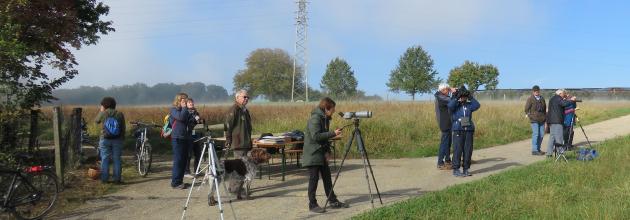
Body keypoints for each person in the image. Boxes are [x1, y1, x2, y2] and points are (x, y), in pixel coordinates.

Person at [303, 97, 349, 213]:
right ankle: (312, 205)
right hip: (313, 154)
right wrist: (333, 133)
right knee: (314, 179)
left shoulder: (325, 118)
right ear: (327, 108)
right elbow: (316, 136)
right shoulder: (315, 119)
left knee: (327, 178)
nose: (334, 111)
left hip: (321, 152)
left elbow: (324, 138)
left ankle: (333, 201)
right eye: (333, 109)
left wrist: (328, 151)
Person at [448, 86, 480, 177]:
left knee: (468, 150)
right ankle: (456, 169)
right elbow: (450, 106)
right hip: (458, 130)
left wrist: (470, 96)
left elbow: (477, 105)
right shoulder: (455, 105)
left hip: (468, 130)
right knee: (458, 150)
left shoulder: (469, 105)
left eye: (464, 96)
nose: (463, 97)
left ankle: (466, 169)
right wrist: (457, 96)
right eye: (462, 96)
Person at [225, 89, 253, 195]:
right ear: (237, 98)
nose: (246, 99)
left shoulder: (244, 110)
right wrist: (228, 139)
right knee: (238, 167)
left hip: (246, 143)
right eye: (244, 97)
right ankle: (234, 189)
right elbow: (228, 126)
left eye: (247, 97)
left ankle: (239, 188)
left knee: (244, 167)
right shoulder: (234, 109)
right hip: (238, 143)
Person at [95, 97, 126, 184]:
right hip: (118, 139)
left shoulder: (103, 113)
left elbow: (96, 121)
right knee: (117, 159)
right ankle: (117, 179)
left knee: (105, 159)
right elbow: (123, 128)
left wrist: (101, 111)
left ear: (104, 105)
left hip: (105, 139)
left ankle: (104, 179)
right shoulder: (120, 114)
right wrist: (122, 138)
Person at [170, 93, 191, 189]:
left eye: (186, 100)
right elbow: (181, 117)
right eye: (184, 100)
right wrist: (184, 108)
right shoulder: (174, 110)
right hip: (177, 138)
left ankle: (180, 181)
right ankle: (175, 182)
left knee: (184, 160)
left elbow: (189, 122)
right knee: (178, 160)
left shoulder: (185, 110)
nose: (185, 102)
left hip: (185, 137)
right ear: (179, 100)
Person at [546, 89, 576, 157]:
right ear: (560, 94)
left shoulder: (552, 99)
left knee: (552, 138)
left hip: (551, 121)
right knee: (559, 137)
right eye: (563, 94)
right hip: (557, 121)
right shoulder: (558, 98)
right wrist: (572, 100)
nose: (564, 95)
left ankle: (549, 153)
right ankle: (560, 154)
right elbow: (564, 104)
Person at [434, 83, 453, 169]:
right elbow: (451, 100)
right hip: (444, 123)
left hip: (448, 122)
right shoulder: (440, 97)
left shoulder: (441, 96)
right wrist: (455, 92)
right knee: (444, 143)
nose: (449, 91)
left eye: (449, 89)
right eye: (447, 89)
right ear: (442, 90)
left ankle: (448, 160)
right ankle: (440, 163)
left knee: (448, 142)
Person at [524, 85, 547, 156]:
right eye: (535, 91)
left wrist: (545, 117)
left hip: (542, 119)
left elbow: (544, 108)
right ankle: (534, 150)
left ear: (539, 91)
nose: (536, 92)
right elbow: (526, 109)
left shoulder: (542, 98)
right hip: (534, 119)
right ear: (533, 92)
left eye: (537, 91)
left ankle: (538, 149)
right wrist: (530, 116)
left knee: (542, 134)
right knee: (536, 134)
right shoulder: (530, 99)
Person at [184, 98, 202, 178]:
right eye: (189, 102)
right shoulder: (184, 112)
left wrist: (200, 121)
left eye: (192, 102)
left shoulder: (196, 112)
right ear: (186, 104)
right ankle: (186, 171)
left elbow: (199, 122)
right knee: (189, 154)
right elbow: (187, 122)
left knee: (198, 153)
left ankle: (197, 170)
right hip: (188, 135)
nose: (191, 103)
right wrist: (193, 119)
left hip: (196, 135)